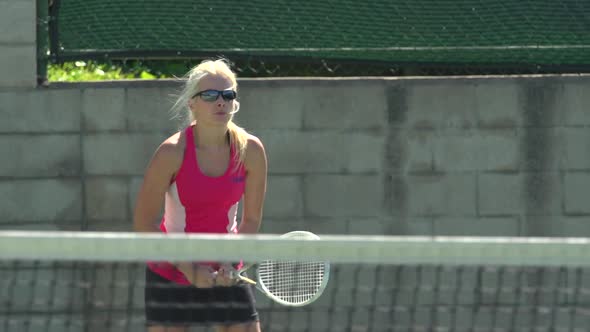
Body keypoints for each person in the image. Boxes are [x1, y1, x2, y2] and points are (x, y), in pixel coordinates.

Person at [133, 58, 268, 332]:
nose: (220, 102)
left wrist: (231, 261)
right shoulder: (171, 153)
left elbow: (251, 219)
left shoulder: (251, 151)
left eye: (227, 95)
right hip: (171, 270)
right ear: (191, 104)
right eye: (209, 95)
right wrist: (188, 268)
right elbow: (144, 223)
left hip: (225, 272)